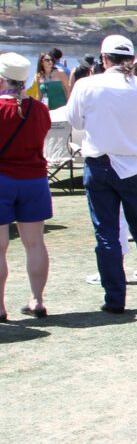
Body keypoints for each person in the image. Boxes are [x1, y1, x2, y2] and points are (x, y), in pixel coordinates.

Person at [66, 35, 137, 314]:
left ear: (104, 59)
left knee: (107, 234)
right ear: (131, 59)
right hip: (134, 166)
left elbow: (75, 120)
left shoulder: (87, 85)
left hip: (100, 164)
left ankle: (114, 298)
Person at [0, 53, 51, 322]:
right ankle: (37, 300)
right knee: (35, 244)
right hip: (34, 180)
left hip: (3, 179)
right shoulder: (40, 109)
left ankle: (0, 306)